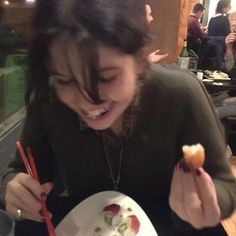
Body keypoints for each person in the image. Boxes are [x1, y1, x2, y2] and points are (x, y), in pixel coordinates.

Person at [0, 0, 236, 235]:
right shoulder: (49, 100)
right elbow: (20, 170)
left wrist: (206, 203)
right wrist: (15, 193)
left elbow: (226, 185)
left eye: (106, 78)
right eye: (66, 80)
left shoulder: (181, 93)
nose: (87, 101)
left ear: (140, 56)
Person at [225, 11, 236, 79]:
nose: (234, 28)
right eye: (232, 25)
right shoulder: (229, 40)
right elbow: (229, 68)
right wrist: (229, 47)